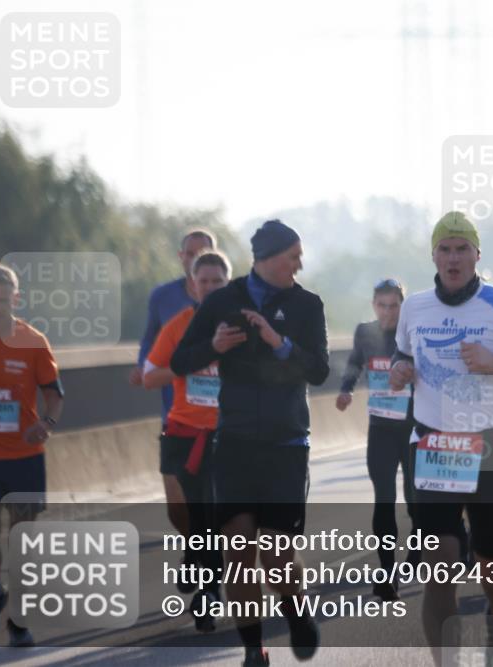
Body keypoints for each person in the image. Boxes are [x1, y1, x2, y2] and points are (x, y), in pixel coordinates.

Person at [389, 212, 493, 666]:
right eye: (445, 249)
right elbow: (403, 353)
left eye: (462, 249)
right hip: (435, 446)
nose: (453, 258)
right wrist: (400, 369)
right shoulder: (414, 307)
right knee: (439, 565)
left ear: (477, 254)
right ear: (433, 256)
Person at [171, 219, 328, 666]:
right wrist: (215, 346)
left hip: (286, 443)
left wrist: (280, 343)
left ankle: (296, 610)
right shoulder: (223, 300)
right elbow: (181, 361)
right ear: (267, 258)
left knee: (277, 557)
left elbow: (320, 370)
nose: (299, 265)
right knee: (237, 551)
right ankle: (253, 649)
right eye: (292, 257)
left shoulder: (307, 304)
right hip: (235, 443)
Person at [0, 265, 64, 647]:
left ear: (16, 299)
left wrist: (46, 422)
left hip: (25, 457)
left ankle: (19, 617)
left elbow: (54, 395)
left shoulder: (33, 341)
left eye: (4, 300)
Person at [143, 250, 231, 632]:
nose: (209, 287)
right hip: (184, 432)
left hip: (229, 436)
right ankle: (200, 569)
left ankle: (208, 588)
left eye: (217, 281)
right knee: (193, 514)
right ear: (192, 285)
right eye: (203, 281)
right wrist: (186, 365)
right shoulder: (178, 325)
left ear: (228, 284)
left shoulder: (243, 326)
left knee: (214, 514)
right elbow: (150, 376)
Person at [131, 229, 217, 547]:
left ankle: (205, 560)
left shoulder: (234, 304)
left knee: (215, 504)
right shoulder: (164, 298)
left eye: (203, 252)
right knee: (178, 505)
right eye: (190, 254)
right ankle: (197, 547)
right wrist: (144, 366)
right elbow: (150, 341)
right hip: (176, 414)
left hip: (224, 423)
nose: (196, 259)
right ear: (182, 258)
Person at [337, 278, 418, 601]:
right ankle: (386, 572)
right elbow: (355, 362)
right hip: (381, 428)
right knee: (384, 498)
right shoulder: (365, 332)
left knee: (415, 499)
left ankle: (416, 554)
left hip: (413, 429)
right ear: (373, 305)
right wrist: (346, 389)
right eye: (382, 306)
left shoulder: (413, 334)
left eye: (393, 306)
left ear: (402, 306)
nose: (387, 312)